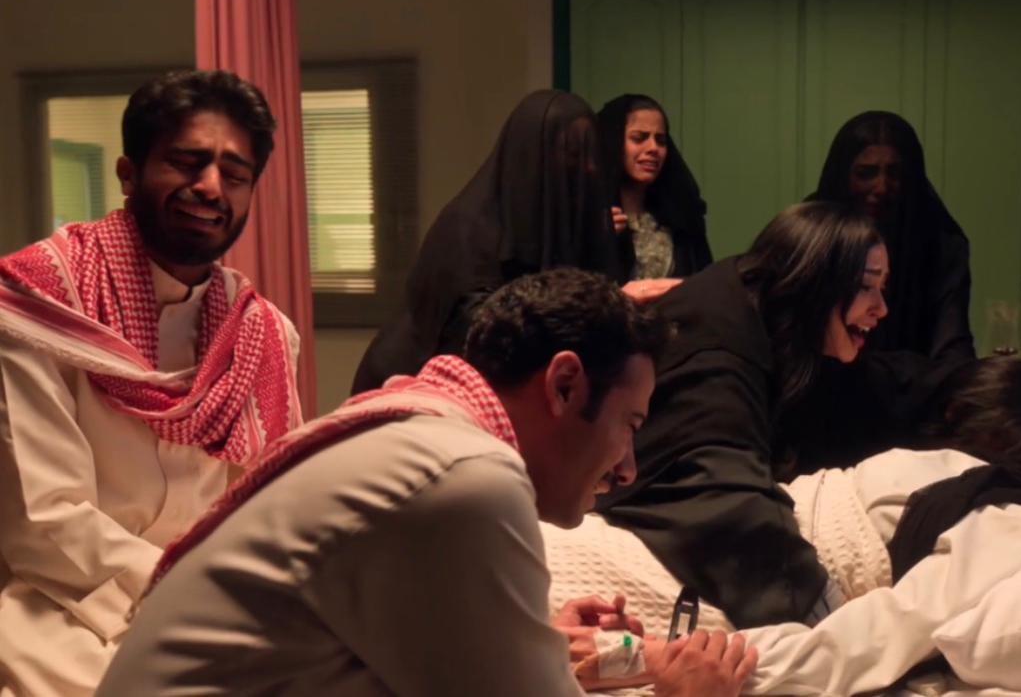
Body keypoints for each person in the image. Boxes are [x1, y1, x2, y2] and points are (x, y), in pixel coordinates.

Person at [98, 269, 756, 697]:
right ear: (564, 385)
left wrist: (519, 641)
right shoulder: (467, 477)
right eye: (629, 424)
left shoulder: (416, 426)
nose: (628, 467)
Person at [546, 400, 1021, 695]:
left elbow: (876, 636)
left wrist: (640, 660)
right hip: (743, 531)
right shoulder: (1005, 484)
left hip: (750, 568)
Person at [0, 69, 303, 697]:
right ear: (128, 173)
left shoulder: (264, 334)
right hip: (63, 612)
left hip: (221, 613)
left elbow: (273, 504)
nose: (211, 186)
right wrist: (195, 588)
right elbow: (44, 519)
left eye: (235, 174)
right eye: (187, 162)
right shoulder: (36, 305)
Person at [596, 200, 890, 630]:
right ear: (815, 281)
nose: (881, 308)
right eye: (867, 287)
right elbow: (728, 504)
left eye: (883, 288)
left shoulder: (758, 302)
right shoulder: (721, 346)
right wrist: (839, 625)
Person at [350, 90, 625, 395]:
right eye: (573, 153)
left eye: (591, 155)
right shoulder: (468, 228)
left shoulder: (559, 221)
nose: (589, 167)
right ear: (535, 157)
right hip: (411, 391)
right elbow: (486, 336)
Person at [789, 111, 980, 466]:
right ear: (843, 174)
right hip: (819, 401)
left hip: (911, 409)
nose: (881, 186)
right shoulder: (810, 234)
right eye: (866, 173)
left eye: (894, 173)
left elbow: (951, 342)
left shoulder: (940, 240)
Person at [597, 94, 712, 289]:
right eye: (639, 138)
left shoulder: (679, 217)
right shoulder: (592, 216)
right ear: (613, 143)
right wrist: (596, 239)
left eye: (661, 140)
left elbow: (703, 285)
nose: (653, 148)